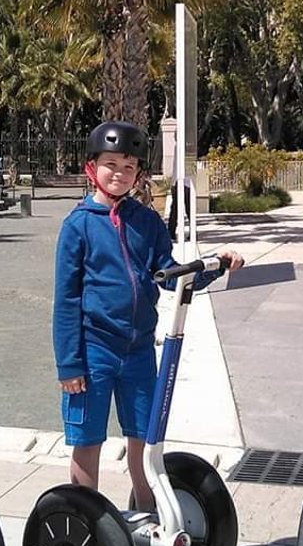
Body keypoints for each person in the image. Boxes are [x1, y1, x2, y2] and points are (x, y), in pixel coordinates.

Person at [53, 121, 243, 511]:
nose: (119, 174)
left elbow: (170, 275)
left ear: (138, 172)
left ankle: (147, 508)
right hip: (93, 351)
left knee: (144, 433)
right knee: (87, 438)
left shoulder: (146, 221)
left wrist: (216, 266)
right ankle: (87, 516)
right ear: (92, 167)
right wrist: (69, 364)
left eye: (128, 166)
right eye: (110, 164)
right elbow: (66, 300)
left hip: (139, 349)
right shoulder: (78, 226)